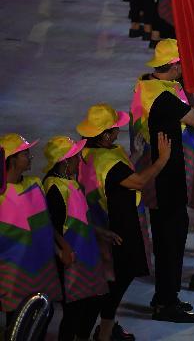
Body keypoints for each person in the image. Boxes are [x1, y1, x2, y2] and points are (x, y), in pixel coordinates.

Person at [135, 40, 194, 321]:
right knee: (171, 240)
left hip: (157, 175)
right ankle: (166, 302)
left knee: (167, 239)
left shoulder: (147, 86)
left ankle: (165, 297)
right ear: (172, 66)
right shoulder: (165, 99)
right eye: (182, 64)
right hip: (165, 179)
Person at [78, 104, 171, 341]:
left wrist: (136, 156)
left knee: (112, 279)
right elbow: (137, 181)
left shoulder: (86, 152)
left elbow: (113, 174)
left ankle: (106, 329)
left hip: (97, 221)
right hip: (118, 226)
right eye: (114, 130)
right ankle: (104, 333)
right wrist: (162, 160)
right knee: (118, 279)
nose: (118, 133)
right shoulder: (110, 162)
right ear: (105, 135)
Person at [42, 135, 109, 341]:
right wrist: (63, 249)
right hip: (71, 258)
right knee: (74, 310)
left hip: (86, 254)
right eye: (75, 156)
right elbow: (50, 225)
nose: (80, 160)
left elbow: (81, 217)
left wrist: (101, 232)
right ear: (65, 162)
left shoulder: (70, 180)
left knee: (95, 299)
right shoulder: (54, 188)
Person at [0, 135, 62, 324]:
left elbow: (45, 223)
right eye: (25, 153)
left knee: (42, 318)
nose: (30, 157)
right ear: (11, 160)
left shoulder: (35, 183)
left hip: (43, 270)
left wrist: (60, 249)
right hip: (14, 278)